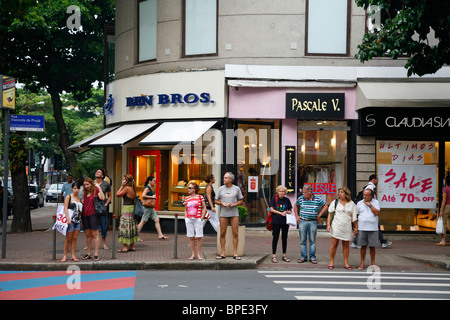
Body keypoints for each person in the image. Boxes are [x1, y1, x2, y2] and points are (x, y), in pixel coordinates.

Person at [351, 174, 392, 249]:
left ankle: (382, 241)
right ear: (374, 179)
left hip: (370, 212)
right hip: (368, 211)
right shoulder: (370, 187)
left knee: (375, 226)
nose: (378, 181)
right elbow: (368, 201)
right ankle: (356, 242)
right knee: (372, 227)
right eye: (377, 179)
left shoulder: (370, 187)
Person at [294, 184, 328, 264]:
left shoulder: (317, 199)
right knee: (302, 240)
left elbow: (325, 206)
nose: (304, 194)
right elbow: (295, 205)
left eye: (305, 193)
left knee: (312, 240)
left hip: (313, 221)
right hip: (303, 221)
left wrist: (320, 214)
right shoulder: (301, 198)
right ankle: (303, 257)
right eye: (303, 192)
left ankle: (312, 257)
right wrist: (296, 215)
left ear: (310, 192)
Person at [327, 187, 358, 270]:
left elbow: (354, 217)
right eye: (339, 192)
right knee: (334, 244)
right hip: (336, 226)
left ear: (346, 194)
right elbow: (330, 213)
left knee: (346, 245)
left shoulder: (352, 204)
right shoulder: (335, 202)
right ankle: (331, 261)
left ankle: (346, 262)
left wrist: (356, 227)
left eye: (342, 192)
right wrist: (328, 225)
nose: (339, 194)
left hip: (347, 227)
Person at [215, 172, 244, 260]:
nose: (224, 179)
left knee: (235, 233)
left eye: (226, 178)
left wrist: (235, 204)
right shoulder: (220, 189)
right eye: (224, 178)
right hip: (224, 213)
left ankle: (235, 253)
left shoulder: (236, 188)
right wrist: (221, 203)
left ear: (231, 179)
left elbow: (241, 200)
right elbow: (216, 201)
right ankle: (223, 253)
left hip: (234, 213)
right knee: (222, 232)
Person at [81, 177, 105, 261]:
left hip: (93, 214)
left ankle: (96, 254)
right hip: (85, 214)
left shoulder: (95, 190)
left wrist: (98, 187)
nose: (86, 186)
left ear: (91, 184)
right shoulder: (85, 192)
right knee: (88, 235)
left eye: (88, 184)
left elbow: (102, 198)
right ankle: (89, 253)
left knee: (95, 234)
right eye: (85, 185)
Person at [138, 175, 168, 240]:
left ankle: (160, 235)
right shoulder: (147, 188)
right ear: (150, 181)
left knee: (156, 219)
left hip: (150, 207)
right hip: (147, 207)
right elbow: (143, 195)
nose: (155, 182)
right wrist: (152, 197)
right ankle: (135, 236)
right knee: (143, 221)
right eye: (154, 181)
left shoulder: (150, 187)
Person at [356, 188, 380, 270]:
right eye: (364, 195)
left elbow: (377, 212)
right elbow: (356, 215)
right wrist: (355, 227)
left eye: (367, 195)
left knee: (372, 246)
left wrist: (369, 205)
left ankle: (373, 263)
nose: (365, 196)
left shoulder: (376, 202)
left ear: (371, 195)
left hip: (373, 228)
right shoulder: (359, 203)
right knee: (363, 246)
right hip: (362, 227)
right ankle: (362, 263)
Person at [269, 185, 293, 263]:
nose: (281, 193)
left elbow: (290, 210)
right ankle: (274, 255)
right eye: (280, 191)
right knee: (275, 238)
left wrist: (287, 212)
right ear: (277, 192)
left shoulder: (287, 200)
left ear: (285, 192)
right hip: (276, 221)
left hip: (285, 222)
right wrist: (280, 213)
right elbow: (271, 209)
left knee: (284, 238)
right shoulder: (274, 198)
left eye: (283, 191)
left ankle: (284, 255)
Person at [116, 174, 139, 252]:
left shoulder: (127, 188)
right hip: (132, 208)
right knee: (131, 227)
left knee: (125, 227)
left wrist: (122, 186)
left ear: (127, 181)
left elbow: (117, 194)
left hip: (126, 209)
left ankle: (124, 247)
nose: (122, 181)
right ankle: (132, 246)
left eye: (123, 180)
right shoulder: (133, 188)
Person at [184, 182, 207, 260]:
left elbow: (204, 207)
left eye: (190, 188)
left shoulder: (200, 197)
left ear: (195, 189)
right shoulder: (187, 198)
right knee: (191, 237)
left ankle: (199, 254)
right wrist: (186, 218)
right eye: (188, 188)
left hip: (197, 219)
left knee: (199, 237)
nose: (188, 189)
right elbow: (185, 209)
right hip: (189, 219)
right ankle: (193, 254)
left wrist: (201, 217)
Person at [61, 182, 83, 262]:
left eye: (78, 188)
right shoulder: (68, 197)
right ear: (72, 188)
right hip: (70, 220)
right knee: (68, 238)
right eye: (75, 188)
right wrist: (67, 218)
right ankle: (65, 255)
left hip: (77, 220)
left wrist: (81, 221)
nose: (76, 190)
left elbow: (80, 211)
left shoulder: (79, 198)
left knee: (75, 238)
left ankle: (73, 255)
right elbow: (65, 207)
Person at [94, 168, 112, 250]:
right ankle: (90, 244)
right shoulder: (91, 183)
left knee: (103, 226)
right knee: (93, 226)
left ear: (102, 175)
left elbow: (110, 196)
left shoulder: (106, 184)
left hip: (102, 207)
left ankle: (104, 243)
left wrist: (106, 204)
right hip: (93, 206)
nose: (97, 173)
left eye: (99, 172)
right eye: (96, 171)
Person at [437, 175, 450, 246]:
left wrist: (441, 210)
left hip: (447, 207)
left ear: (446, 181)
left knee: (444, 224)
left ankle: (443, 240)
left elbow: (444, 200)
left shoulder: (445, 189)